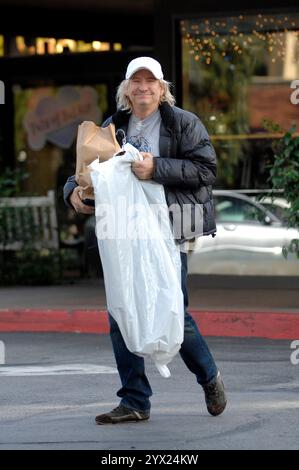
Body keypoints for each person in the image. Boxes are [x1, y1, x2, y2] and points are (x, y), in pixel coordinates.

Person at [64, 56, 227, 424]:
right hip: (123, 229)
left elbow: (207, 170)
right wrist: (73, 191)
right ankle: (135, 399)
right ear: (126, 90)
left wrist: (157, 168)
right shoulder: (111, 126)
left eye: (150, 81)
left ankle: (209, 376)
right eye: (135, 82)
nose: (143, 87)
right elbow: (84, 171)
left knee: (172, 309)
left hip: (171, 225)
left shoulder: (183, 123)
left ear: (161, 87)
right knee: (121, 310)